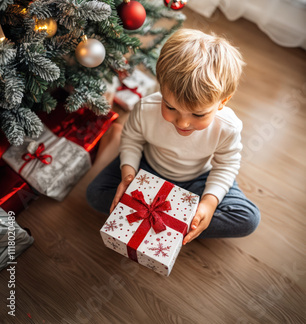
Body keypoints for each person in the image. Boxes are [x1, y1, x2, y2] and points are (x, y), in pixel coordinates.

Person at [86, 29, 260, 244]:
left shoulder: (227, 127)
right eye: (170, 107)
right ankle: (172, 222)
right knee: (95, 194)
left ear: (223, 102)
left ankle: (164, 220)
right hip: (147, 169)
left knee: (248, 219)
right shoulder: (146, 108)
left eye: (198, 114)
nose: (182, 123)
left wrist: (209, 202)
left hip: (197, 179)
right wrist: (128, 173)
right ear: (162, 87)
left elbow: (226, 165)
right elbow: (132, 140)